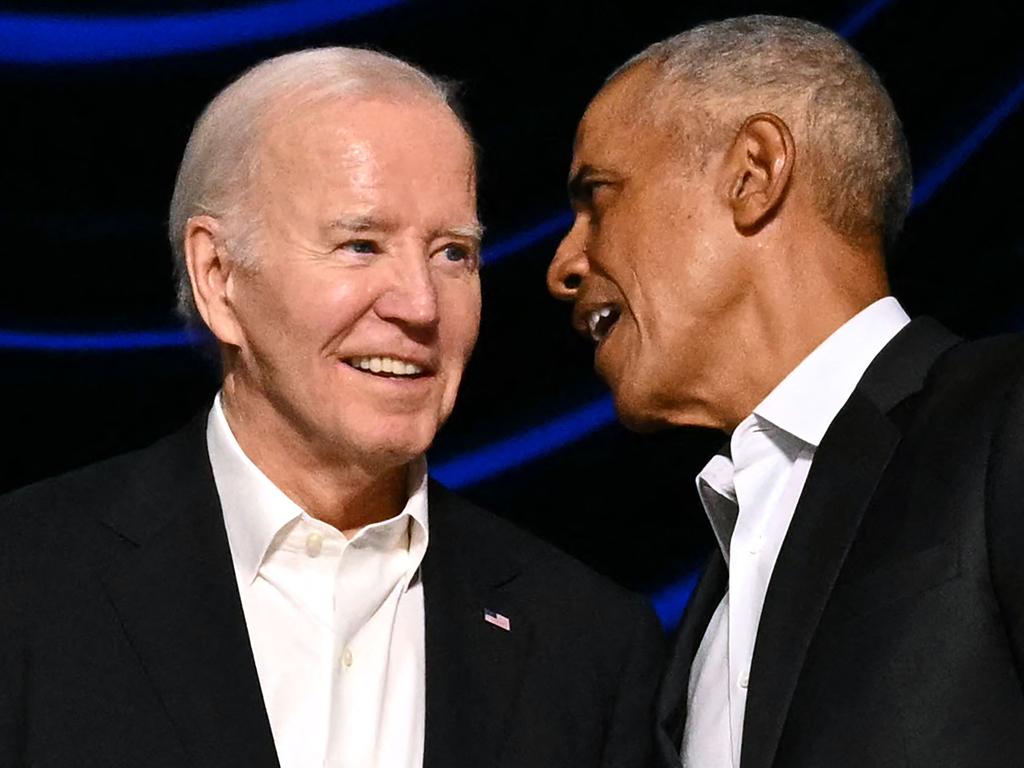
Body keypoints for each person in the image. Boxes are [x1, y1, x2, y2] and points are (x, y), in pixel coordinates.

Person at [0, 47, 664, 768]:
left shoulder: (588, 646)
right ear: (219, 277)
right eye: (360, 244)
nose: (417, 305)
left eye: (452, 254)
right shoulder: (25, 583)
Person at [546, 14, 1024, 768]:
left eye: (598, 197)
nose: (564, 264)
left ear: (754, 173)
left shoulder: (1004, 417)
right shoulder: (700, 627)